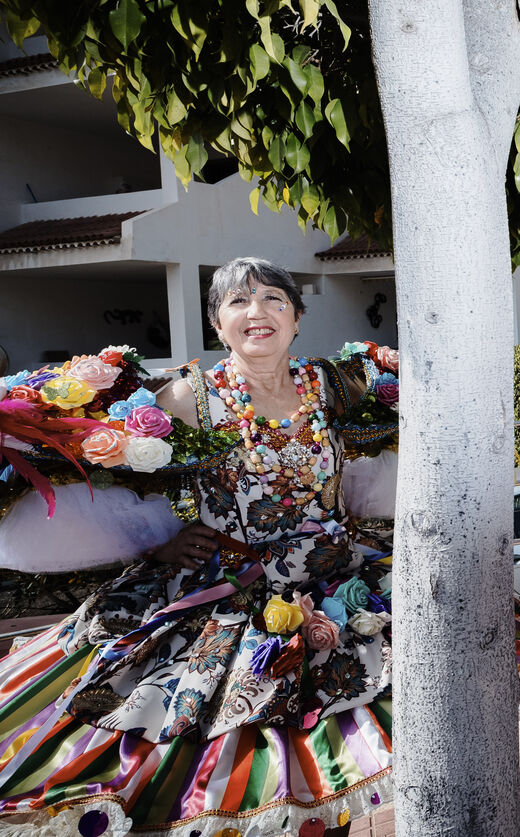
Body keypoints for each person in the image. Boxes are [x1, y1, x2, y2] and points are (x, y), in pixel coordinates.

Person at [0, 257, 397, 837]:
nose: (257, 311)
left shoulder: (337, 385)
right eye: (238, 301)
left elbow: (398, 445)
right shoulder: (187, 398)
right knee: (238, 765)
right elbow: (115, 486)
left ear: (297, 316)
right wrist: (160, 545)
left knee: (336, 764)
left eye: (274, 298)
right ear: (216, 324)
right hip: (228, 597)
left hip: (341, 585)